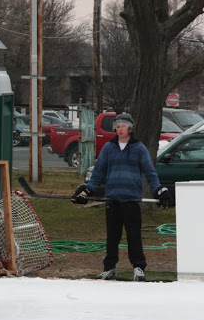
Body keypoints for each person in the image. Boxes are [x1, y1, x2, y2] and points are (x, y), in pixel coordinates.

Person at [71, 113, 171, 282]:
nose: (120, 129)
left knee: (134, 235)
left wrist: (159, 190)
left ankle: (138, 267)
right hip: (112, 199)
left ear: (130, 128)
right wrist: (87, 190)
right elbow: (98, 173)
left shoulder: (139, 148)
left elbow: (150, 172)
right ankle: (109, 268)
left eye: (123, 126)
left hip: (131, 199)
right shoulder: (108, 148)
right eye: (117, 126)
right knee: (112, 236)